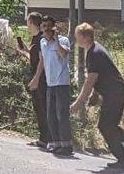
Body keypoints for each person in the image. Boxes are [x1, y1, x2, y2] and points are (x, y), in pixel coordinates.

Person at [71, 23, 124, 169]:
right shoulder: (95, 49)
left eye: (77, 35)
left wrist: (78, 102)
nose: (75, 38)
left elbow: (90, 81)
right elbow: (100, 75)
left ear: (85, 37)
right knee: (108, 126)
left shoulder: (94, 53)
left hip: (116, 93)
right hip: (114, 93)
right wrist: (96, 94)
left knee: (106, 126)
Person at [29, 16, 72, 156]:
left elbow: (63, 53)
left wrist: (56, 40)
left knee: (62, 114)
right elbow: (42, 61)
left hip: (62, 83)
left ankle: (67, 145)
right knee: (51, 115)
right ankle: (56, 143)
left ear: (54, 27)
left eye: (49, 26)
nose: (46, 29)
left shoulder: (63, 40)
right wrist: (36, 79)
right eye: (44, 26)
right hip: (50, 83)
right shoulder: (42, 42)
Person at [16, 12, 50, 149]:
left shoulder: (40, 40)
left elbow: (42, 61)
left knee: (42, 108)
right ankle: (44, 139)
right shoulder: (36, 39)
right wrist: (25, 51)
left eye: (28, 23)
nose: (27, 26)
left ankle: (46, 139)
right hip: (38, 79)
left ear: (31, 23)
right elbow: (34, 58)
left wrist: (35, 79)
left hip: (41, 80)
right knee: (39, 108)